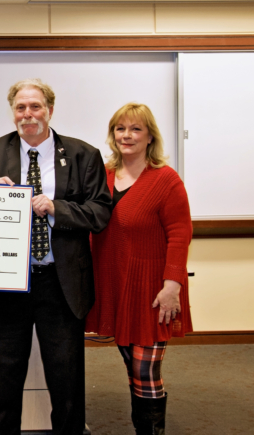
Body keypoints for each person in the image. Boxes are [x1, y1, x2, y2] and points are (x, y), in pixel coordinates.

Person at [0, 78, 112, 435]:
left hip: (60, 283)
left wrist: (56, 208)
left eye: (35, 106)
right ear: (13, 112)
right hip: (9, 283)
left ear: (50, 110)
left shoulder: (83, 154)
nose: (28, 114)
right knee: (3, 385)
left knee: (66, 386)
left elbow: (99, 213)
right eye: (20, 107)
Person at [85, 103, 192, 434]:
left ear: (149, 137)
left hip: (153, 290)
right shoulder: (101, 176)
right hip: (114, 285)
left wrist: (172, 284)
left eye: (135, 129)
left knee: (146, 371)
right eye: (120, 128)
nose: (126, 135)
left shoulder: (165, 179)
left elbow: (180, 233)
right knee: (133, 364)